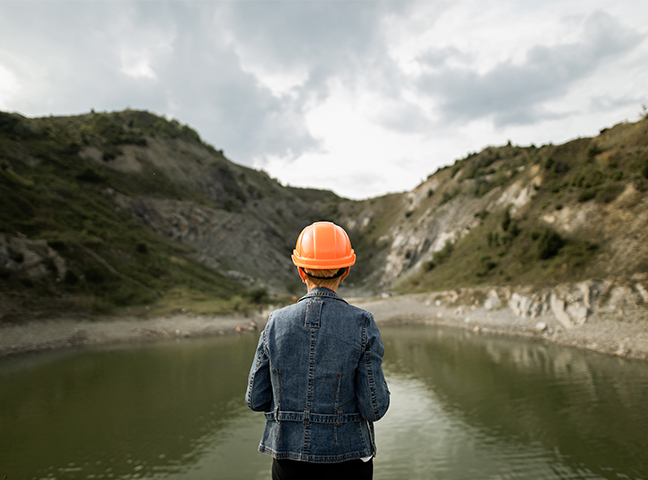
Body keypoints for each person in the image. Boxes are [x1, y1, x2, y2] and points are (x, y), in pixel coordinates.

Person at [245, 221, 390, 480]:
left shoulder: (275, 321)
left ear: (301, 271)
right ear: (345, 270)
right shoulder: (362, 323)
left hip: (288, 458)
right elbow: (374, 409)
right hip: (348, 459)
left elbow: (256, 399)